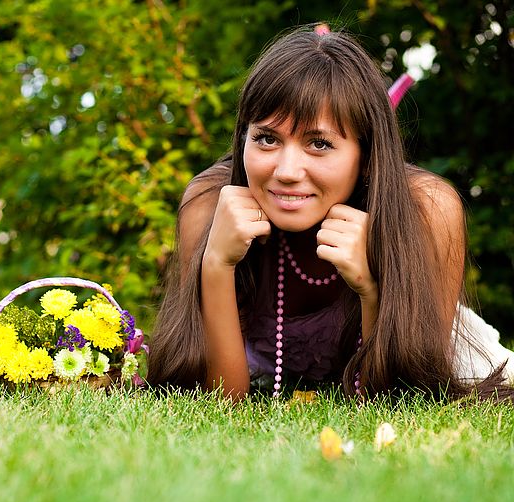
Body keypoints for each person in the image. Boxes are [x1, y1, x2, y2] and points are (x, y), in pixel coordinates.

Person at [147, 26, 514, 400]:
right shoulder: (208, 205)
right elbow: (216, 404)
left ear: (369, 154)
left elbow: (400, 402)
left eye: (319, 143)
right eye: (267, 138)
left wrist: (371, 291)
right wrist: (217, 265)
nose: (287, 171)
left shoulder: (427, 210)